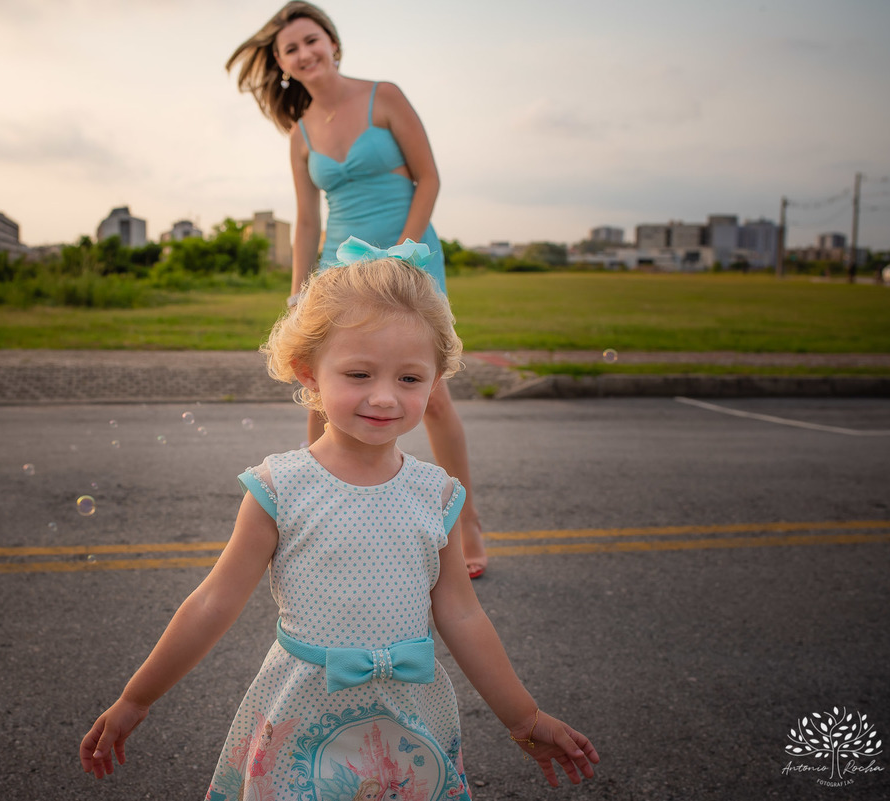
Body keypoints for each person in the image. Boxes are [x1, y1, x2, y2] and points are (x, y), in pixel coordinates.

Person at [79, 242, 599, 799]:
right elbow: (213, 603)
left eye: (409, 379)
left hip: (409, 719)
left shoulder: (437, 493)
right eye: (358, 373)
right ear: (309, 372)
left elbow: (462, 615)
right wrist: (137, 698)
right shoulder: (280, 489)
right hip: (302, 714)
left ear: (435, 381)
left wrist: (524, 718)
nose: (384, 397)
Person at [226, 1, 489, 579]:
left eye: (312, 39)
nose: (304, 52)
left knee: (434, 395)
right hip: (339, 269)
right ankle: (313, 509)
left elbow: (430, 179)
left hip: (411, 257)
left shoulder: (384, 96)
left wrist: (403, 253)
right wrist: (301, 289)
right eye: (290, 48)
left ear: (333, 44)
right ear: (284, 65)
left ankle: (465, 522)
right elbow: (307, 221)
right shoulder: (299, 135)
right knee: (326, 391)